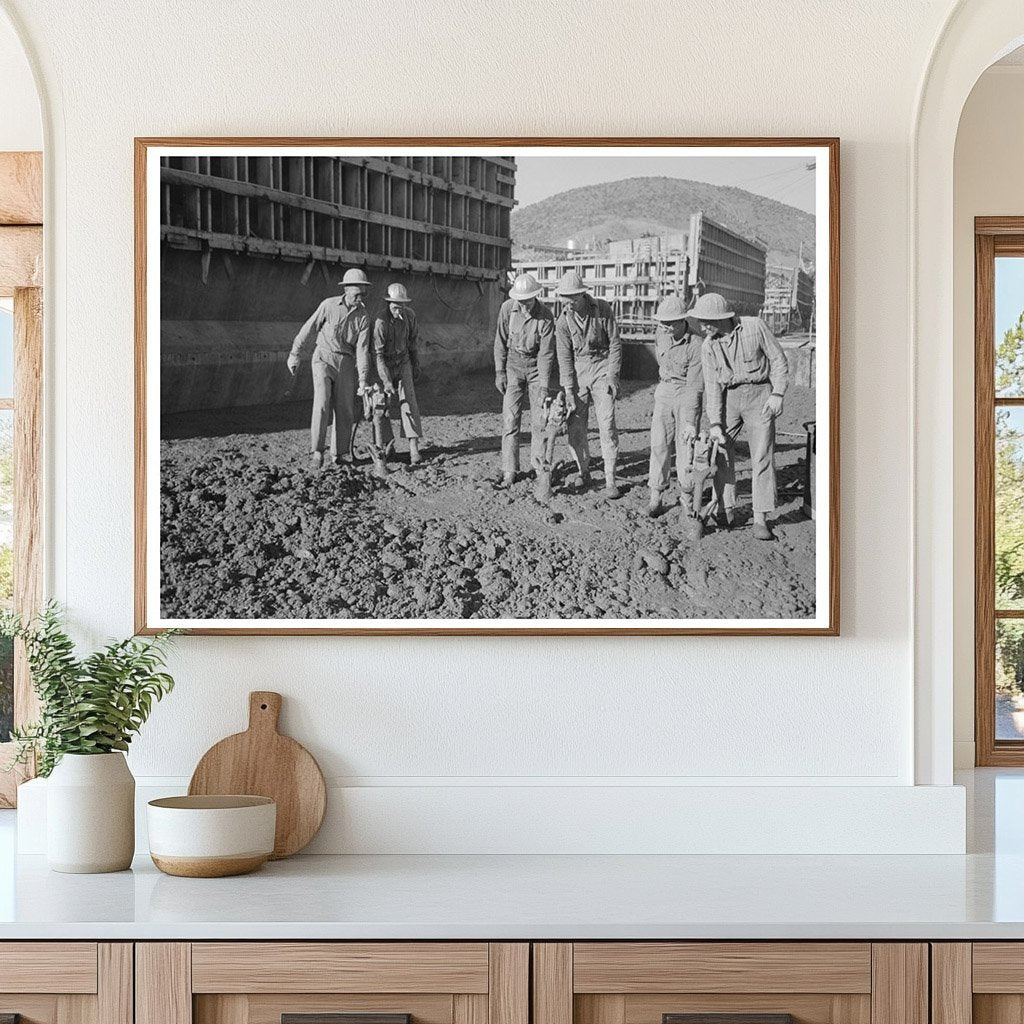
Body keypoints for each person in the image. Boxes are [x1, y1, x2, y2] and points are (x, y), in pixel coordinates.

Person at [694, 291, 789, 540]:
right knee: (721, 451)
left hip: (760, 395)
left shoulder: (754, 327)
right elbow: (713, 387)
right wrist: (715, 423)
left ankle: (760, 519)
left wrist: (777, 393)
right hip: (729, 400)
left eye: (706, 321)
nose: (702, 327)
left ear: (723, 318)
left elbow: (778, 361)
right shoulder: (708, 346)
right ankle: (727, 509)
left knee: (761, 456)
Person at [287, 268, 373, 469]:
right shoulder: (328, 305)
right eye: (356, 293)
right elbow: (308, 328)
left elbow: (362, 350)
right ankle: (317, 452)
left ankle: (340, 453)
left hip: (346, 362)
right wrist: (294, 354)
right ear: (346, 289)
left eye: (363, 293)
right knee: (322, 403)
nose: (359, 298)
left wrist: (363, 380)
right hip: (323, 358)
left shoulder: (363, 317)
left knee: (345, 408)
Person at [553, 270, 622, 499]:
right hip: (579, 370)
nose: (568, 301)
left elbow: (615, 345)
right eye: (565, 297)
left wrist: (613, 375)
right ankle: (584, 471)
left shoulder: (602, 309)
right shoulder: (563, 320)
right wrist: (569, 390)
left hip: (602, 367)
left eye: (572, 297)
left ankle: (610, 478)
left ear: (583, 294)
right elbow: (564, 358)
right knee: (575, 425)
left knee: (607, 423)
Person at [493, 272, 557, 488]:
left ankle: (538, 467)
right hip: (513, 366)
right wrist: (499, 372)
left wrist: (544, 388)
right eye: (521, 301)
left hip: (536, 369)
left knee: (540, 420)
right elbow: (500, 341)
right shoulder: (507, 309)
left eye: (528, 301)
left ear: (536, 296)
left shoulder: (546, 317)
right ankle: (509, 469)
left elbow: (546, 354)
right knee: (510, 419)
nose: (525, 306)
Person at [647, 295, 704, 518]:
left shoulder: (696, 344)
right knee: (659, 444)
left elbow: (695, 387)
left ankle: (687, 498)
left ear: (683, 321)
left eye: (670, 323)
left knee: (685, 448)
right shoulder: (660, 334)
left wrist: (690, 421)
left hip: (686, 393)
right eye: (662, 322)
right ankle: (656, 495)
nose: (665, 327)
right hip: (664, 390)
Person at [372, 283, 423, 466]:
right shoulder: (380, 322)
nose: (398, 310)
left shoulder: (409, 316)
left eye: (401, 306)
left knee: (409, 401)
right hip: (384, 362)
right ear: (388, 303)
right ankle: (387, 446)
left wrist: (415, 364)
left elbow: (413, 343)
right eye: (395, 306)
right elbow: (377, 356)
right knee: (382, 405)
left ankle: (413, 447)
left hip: (403, 361)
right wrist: (386, 382)